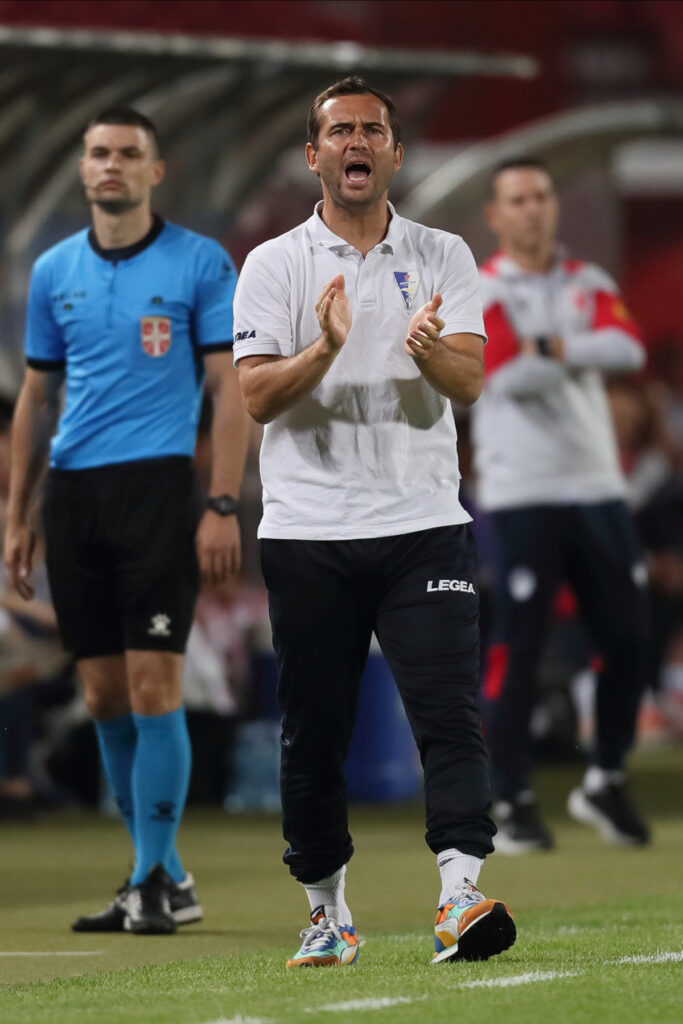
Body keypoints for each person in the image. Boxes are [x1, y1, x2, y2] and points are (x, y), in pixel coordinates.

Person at [234, 76, 515, 967]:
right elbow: (256, 398)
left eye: (373, 131)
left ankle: (459, 897)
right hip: (308, 531)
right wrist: (323, 346)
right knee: (314, 729)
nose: (356, 143)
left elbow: (469, 383)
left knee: (448, 715)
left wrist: (429, 353)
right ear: (314, 154)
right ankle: (326, 910)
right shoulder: (275, 264)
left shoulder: (443, 253)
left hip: (422, 522)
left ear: (394, 153)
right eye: (339, 130)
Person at [3, 108, 249, 933]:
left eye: (128, 154)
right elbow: (37, 399)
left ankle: (148, 879)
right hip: (74, 495)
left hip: (156, 491)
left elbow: (228, 390)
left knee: (154, 686)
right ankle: (165, 874)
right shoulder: (53, 271)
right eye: (99, 153)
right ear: (83, 171)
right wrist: (18, 513)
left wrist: (220, 503)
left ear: (156, 171)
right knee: (104, 694)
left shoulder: (200, 263)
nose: (111, 165)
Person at [472, 156, 649, 852]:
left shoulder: (588, 280)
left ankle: (603, 776)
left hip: (597, 484)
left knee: (628, 639)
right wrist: (577, 351)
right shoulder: (480, 288)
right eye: (516, 199)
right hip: (519, 491)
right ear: (494, 215)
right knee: (516, 647)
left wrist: (548, 346)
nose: (531, 209)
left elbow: (628, 349)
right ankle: (509, 796)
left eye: (540, 196)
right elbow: (502, 374)